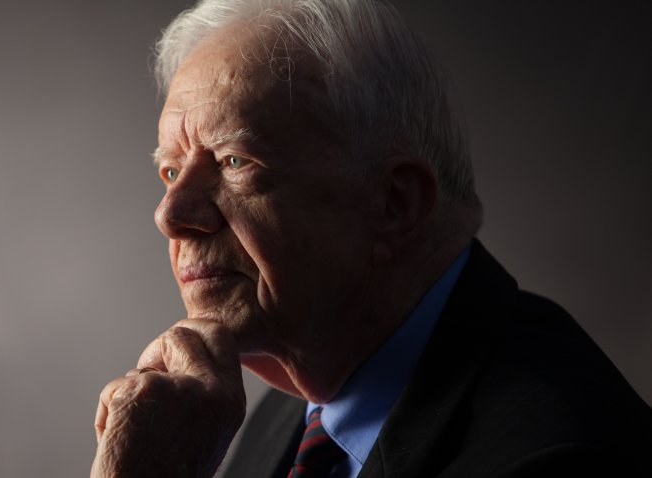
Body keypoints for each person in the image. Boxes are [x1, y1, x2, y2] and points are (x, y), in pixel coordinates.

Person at [90, 1, 652, 476]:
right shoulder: (288, 408)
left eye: (235, 161)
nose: (171, 213)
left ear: (395, 204)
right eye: (170, 170)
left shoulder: (558, 454)